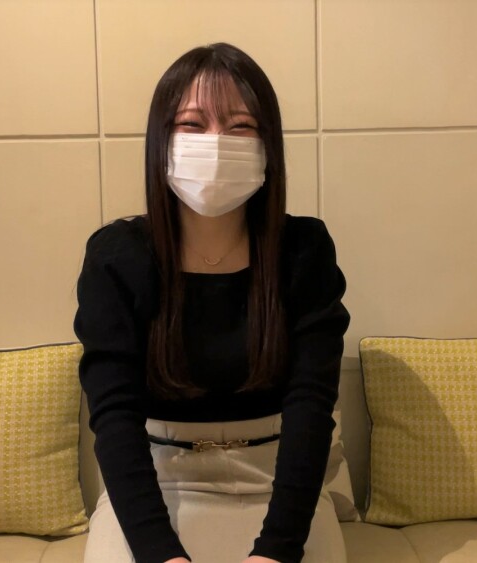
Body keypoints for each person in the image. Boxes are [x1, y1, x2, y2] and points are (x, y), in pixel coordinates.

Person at [73, 42, 350, 563]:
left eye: (241, 126)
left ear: (268, 146)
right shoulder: (116, 256)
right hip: (161, 481)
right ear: (161, 141)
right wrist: (161, 554)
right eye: (192, 124)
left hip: (279, 482)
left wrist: (277, 550)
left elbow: (311, 406)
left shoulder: (304, 250)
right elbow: (114, 417)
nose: (216, 142)